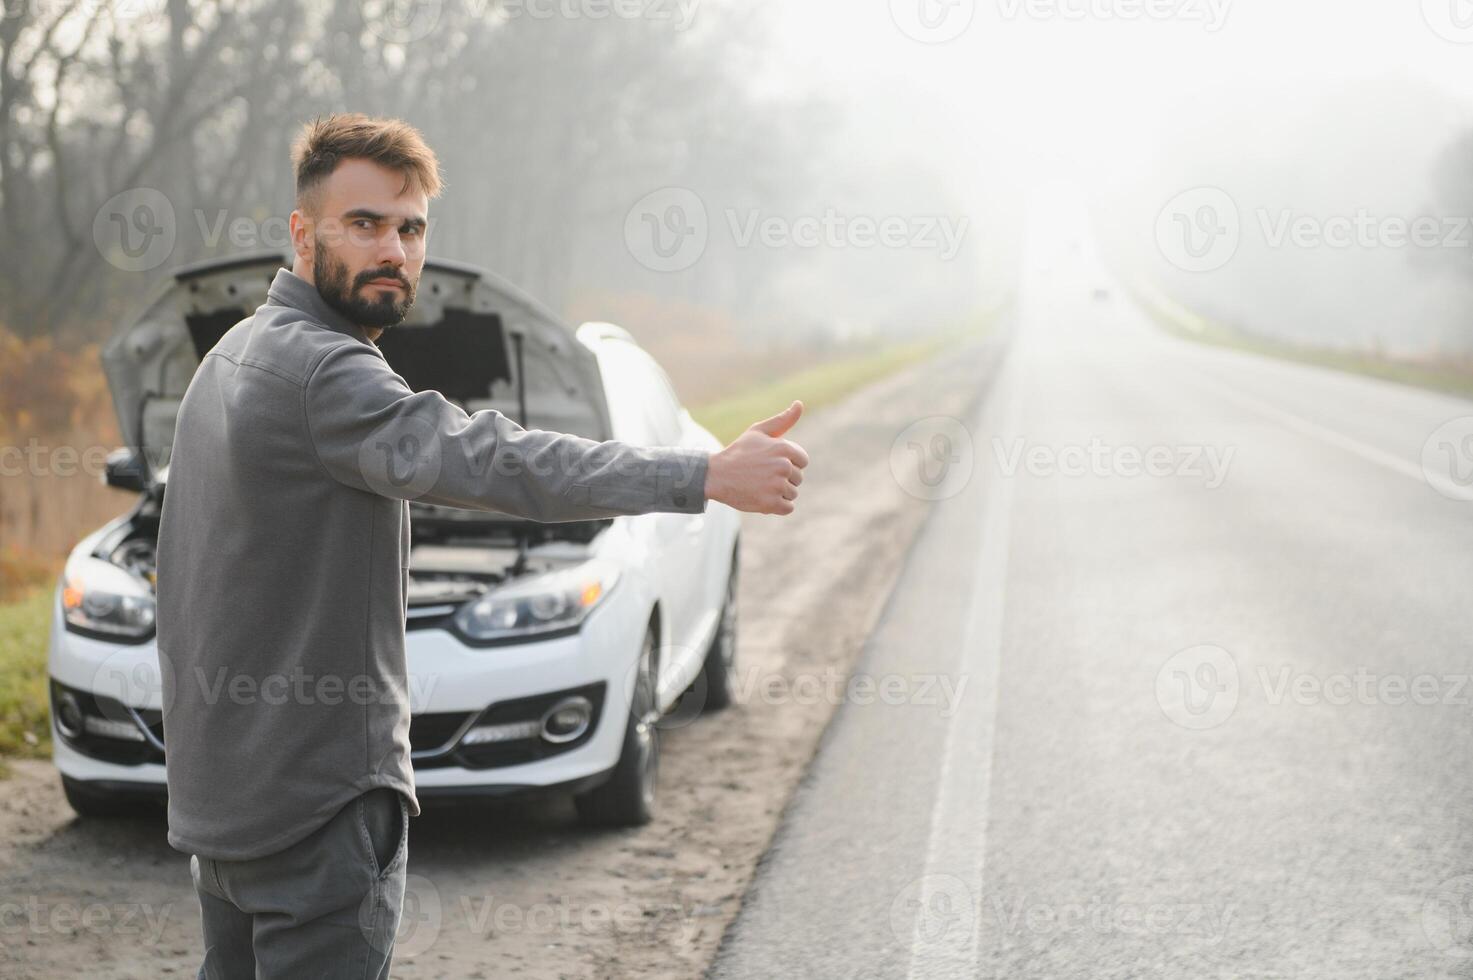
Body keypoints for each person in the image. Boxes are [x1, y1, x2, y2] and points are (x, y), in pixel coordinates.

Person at [154, 113, 808, 979]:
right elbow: (495, 460)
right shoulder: (326, 372)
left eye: (411, 228)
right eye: (365, 224)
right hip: (317, 807)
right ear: (302, 233)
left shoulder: (234, 352)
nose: (393, 249)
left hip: (227, 808)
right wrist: (702, 475)